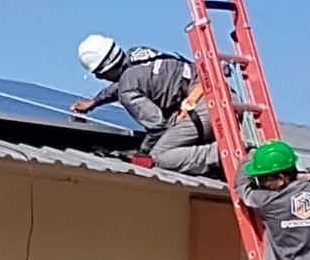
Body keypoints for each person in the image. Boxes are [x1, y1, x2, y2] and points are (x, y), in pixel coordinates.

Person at [70, 35, 220, 176]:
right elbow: (124, 83)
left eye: (98, 74)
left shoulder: (127, 89)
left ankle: (218, 154)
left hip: (204, 109)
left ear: (104, 70)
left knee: (159, 156)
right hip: (220, 94)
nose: (100, 78)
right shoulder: (137, 56)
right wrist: (95, 101)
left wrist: (143, 152)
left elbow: (158, 126)